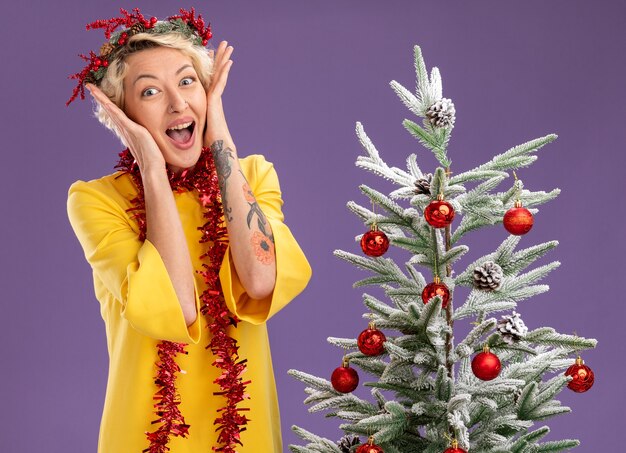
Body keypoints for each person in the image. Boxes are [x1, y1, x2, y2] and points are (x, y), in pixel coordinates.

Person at [66, 8, 311, 453]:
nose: (178, 104)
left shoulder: (250, 176)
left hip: (245, 435)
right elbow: (178, 310)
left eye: (187, 81)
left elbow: (260, 280)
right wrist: (152, 171)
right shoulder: (96, 200)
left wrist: (222, 145)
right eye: (150, 92)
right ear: (124, 115)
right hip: (143, 435)